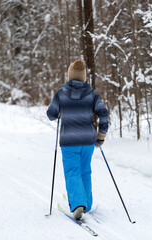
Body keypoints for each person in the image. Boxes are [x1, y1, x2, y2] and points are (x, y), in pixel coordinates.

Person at [46, 59, 109, 220]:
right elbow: (103, 114)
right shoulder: (92, 94)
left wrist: (61, 110)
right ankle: (86, 203)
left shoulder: (61, 93)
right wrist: (101, 136)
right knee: (85, 171)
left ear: (69, 75)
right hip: (88, 140)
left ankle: (78, 204)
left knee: (72, 171)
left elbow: (51, 114)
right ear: (83, 77)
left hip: (69, 141)